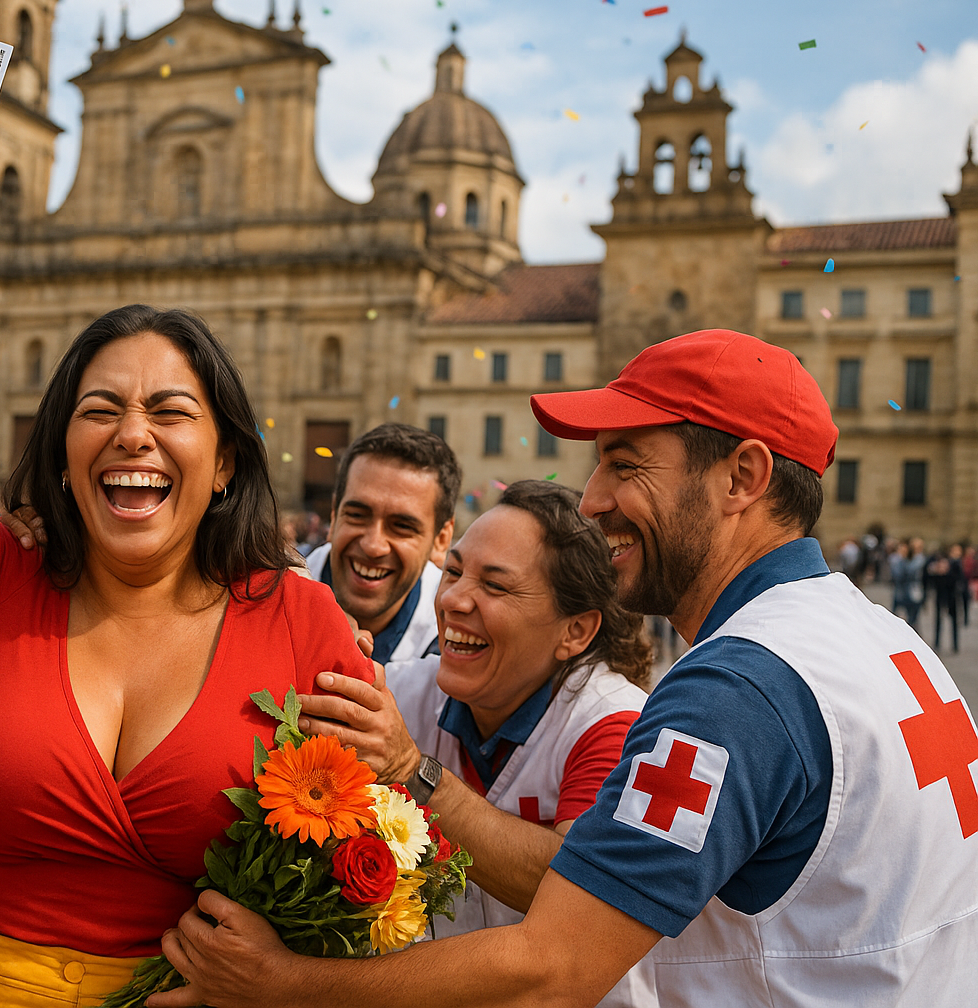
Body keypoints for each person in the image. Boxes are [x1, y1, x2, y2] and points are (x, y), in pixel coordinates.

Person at [147, 329, 978, 1008]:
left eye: (625, 464)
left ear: (744, 476)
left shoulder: (735, 690)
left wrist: (284, 984)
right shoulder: (886, 641)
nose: (590, 499)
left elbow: (554, 969)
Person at [0, 68, 373, 1007]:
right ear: (61, 456)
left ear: (224, 463)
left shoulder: (305, 622)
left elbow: (369, 874)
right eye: (99, 409)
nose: (132, 431)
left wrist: (280, 984)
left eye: (171, 411)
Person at [298, 479, 656, 1006]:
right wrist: (318, 644)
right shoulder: (402, 693)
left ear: (575, 632)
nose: (454, 600)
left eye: (496, 586)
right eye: (455, 572)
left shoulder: (614, 723)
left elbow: (577, 889)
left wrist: (411, 769)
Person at [303, 423, 461, 667]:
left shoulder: (459, 643)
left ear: (441, 540)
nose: (373, 546)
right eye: (357, 515)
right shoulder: (262, 598)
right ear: (334, 516)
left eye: (402, 526)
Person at [924, 546, 963, 654]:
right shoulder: (935, 569)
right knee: (938, 621)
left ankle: (955, 644)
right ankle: (937, 643)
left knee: (954, 622)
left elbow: (958, 581)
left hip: (952, 597)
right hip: (940, 596)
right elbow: (929, 580)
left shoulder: (955, 566)